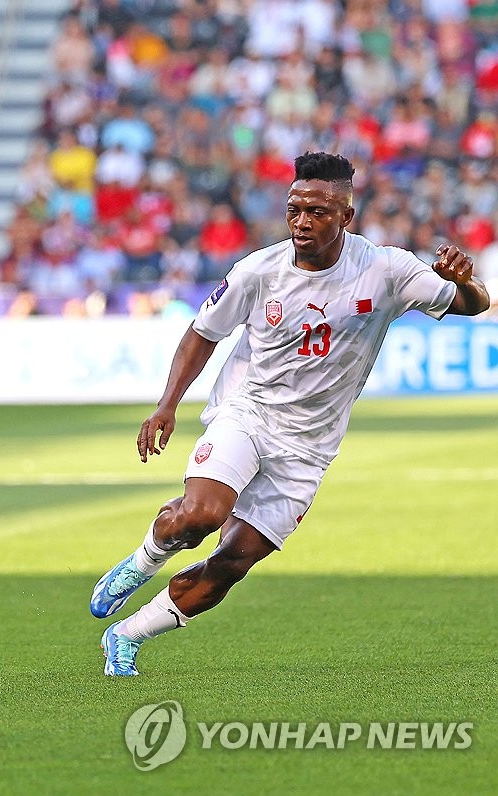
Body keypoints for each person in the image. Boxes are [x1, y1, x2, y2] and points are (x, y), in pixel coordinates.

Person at [89, 152, 490, 676]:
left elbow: (473, 305)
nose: (303, 221)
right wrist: (167, 405)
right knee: (202, 515)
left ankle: (126, 636)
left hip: (310, 446)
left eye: (318, 212)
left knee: (233, 563)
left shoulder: (386, 270)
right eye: (295, 209)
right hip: (248, 412)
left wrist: (465, 281)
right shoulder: (259, 271)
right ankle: (144, 560)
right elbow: (203, 332)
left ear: (346, 217)